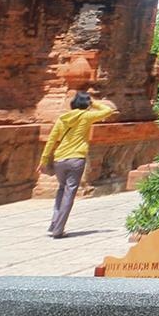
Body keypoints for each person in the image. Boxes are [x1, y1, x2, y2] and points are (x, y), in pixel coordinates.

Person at [39, 91, 117, 238]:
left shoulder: (62, 119)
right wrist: (93, 103)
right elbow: (109, 110)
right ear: (85, 105)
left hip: (59, 160)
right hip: (76, 159)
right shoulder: (86, 116)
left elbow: (51, 141)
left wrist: (43, 160)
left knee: (61, 190)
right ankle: (58, 229)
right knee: (69, 193)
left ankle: (54, 224)